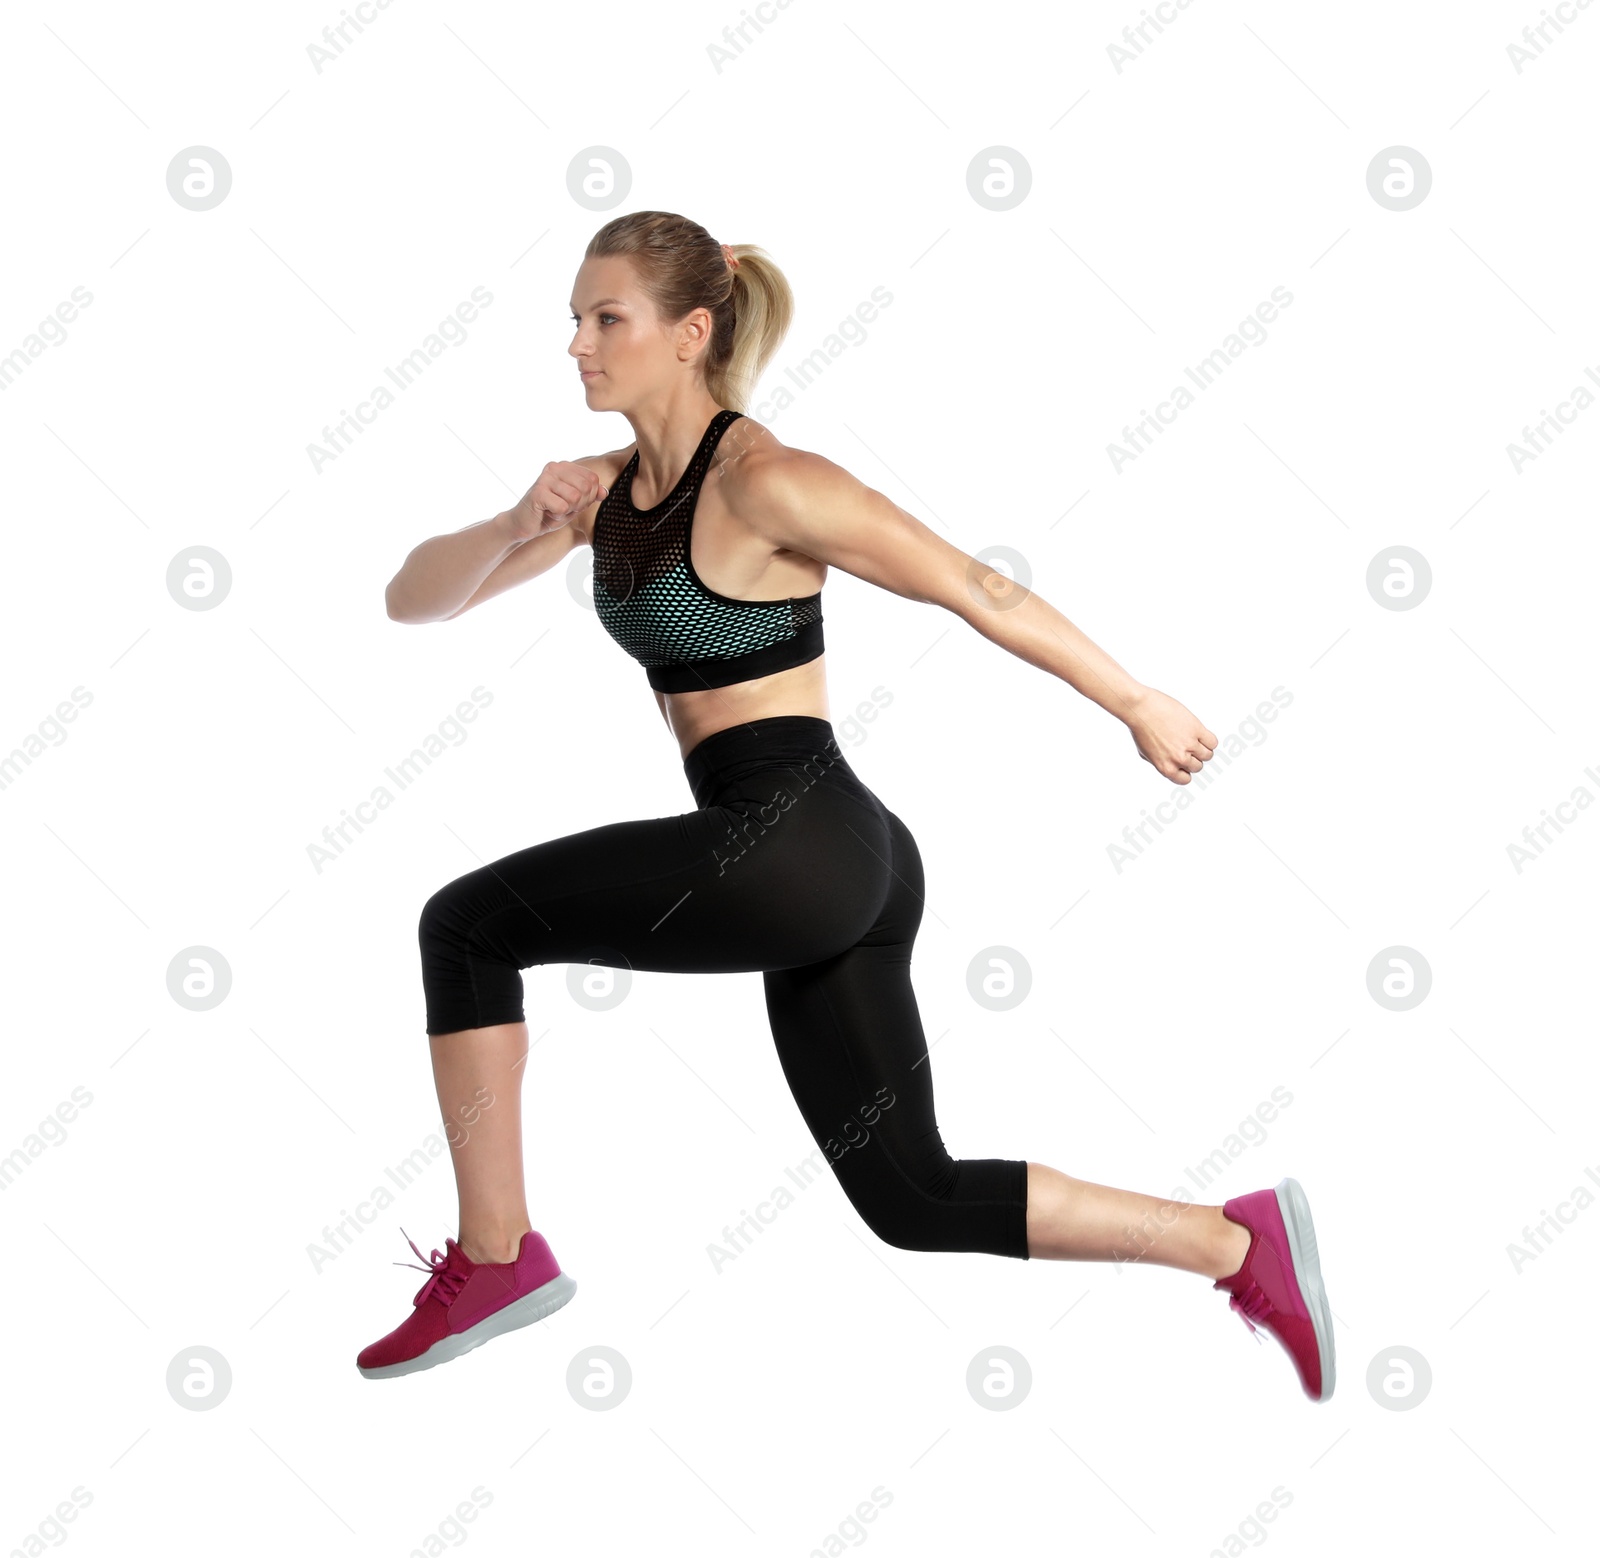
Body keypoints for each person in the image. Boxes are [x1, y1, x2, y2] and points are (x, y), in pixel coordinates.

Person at [359, 211, 1335, 1400]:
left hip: (790, 844)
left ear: (690, 333)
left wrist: (1135, 699)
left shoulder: (773, 482)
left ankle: (496, 1258)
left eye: (604, 317)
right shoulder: (602, 493)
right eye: (573, 318)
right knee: (911, 1197)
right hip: (832, 859)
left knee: (467, 925)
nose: (576, 343)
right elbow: (416, 601)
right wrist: (519, 522)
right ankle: (1237, 1243)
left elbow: (975, 587)